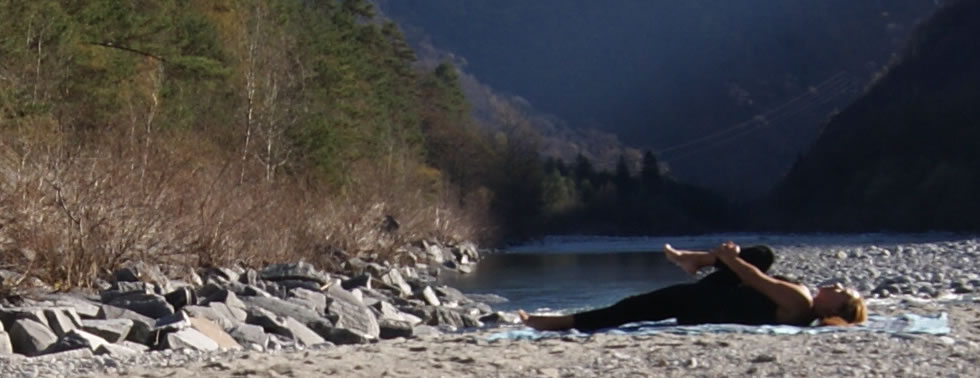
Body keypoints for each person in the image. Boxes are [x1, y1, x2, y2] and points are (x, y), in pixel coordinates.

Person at [519, 241, 866, 331]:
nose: (836, 283)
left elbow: (753, 278)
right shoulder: (802, 312)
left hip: (708, 304)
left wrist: (729, 257)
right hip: (711, 306)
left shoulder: (800, 301)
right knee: (633, 308)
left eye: (842, 290)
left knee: (631, 308)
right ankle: (695, 260)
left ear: (834, 308)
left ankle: (553, 322)